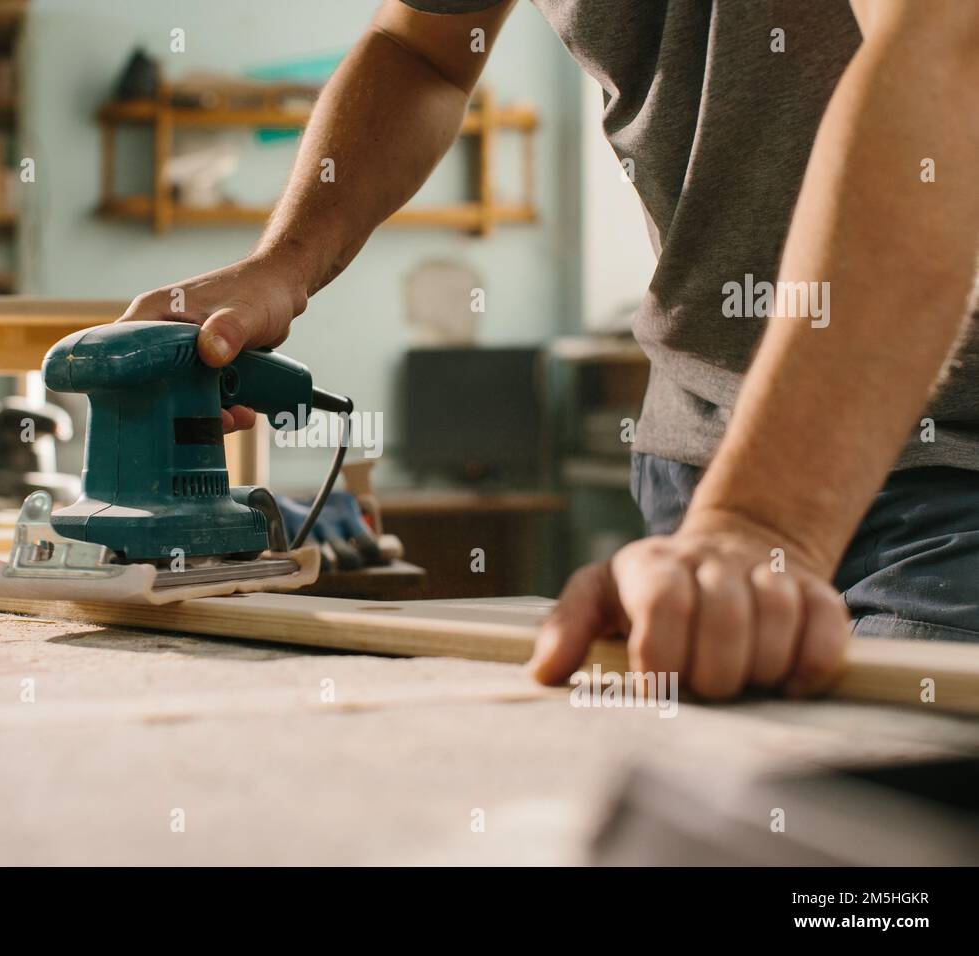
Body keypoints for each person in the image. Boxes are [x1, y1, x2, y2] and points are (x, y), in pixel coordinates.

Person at [116, 0, 979, 699]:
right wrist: (285, 264)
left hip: (950, 462)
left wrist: (766, 522)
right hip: (703, 460)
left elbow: (947, 50)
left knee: (872, 867)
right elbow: (422, 50)